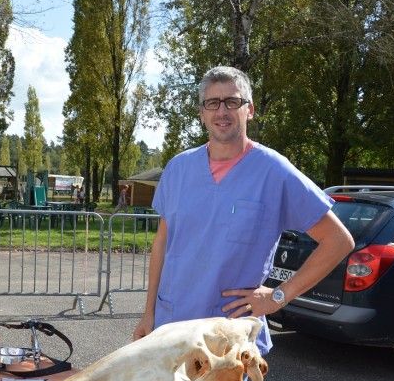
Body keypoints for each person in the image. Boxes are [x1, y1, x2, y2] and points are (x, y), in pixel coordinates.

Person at [132, 66, 354, 361]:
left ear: (249, 110)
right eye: (213, 103)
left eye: (232, 102)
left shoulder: (274, 172)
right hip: (170, 328)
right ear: (202, 113)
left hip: (229, 339)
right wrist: (149, 314)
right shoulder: (178, 169)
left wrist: (278, 296)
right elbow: (162, 243)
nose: (222, 111)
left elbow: (338, 240)